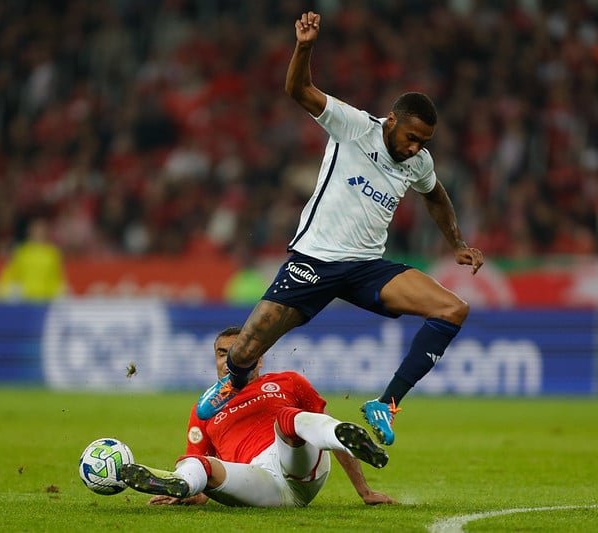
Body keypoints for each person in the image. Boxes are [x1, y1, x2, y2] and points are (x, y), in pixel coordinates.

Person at [196, 11, 484, 446]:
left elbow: (436, 195)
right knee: (246, 348)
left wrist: (457, 243)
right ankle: (231, 381)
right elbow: (297, 90)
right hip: (315, 258)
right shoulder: (354, 126)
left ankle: (385, 404)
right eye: (411, 137)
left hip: (365, 266)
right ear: (392, 120)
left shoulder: (419, 163)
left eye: (424, 142)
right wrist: (305, 46)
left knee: (453, 309)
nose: (415, 147)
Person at [121, 326, 395, 507]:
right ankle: (179, 484)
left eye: (239, 353)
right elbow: (200, 466)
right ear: (214, 359)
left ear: (258, 358)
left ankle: (341, 435)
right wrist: (195, 492)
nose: (229, 360)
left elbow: (316, 424)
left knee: (289, 419)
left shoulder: (288, 381)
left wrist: (364, 491)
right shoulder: (203, 409)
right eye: (221, 353)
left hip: (300, 464)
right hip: (259, 482)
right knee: (197, 462)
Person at [0, 217, 66, 302]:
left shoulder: (52, 254)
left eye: (41, 230)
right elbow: (9, 275)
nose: (38, 232)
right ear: (30, 231)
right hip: (24, 298)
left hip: (46, 298)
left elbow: (58, 279)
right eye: (36, 229)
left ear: (46, 232)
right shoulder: (21, 252)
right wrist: (3, 291)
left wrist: (56, 294)